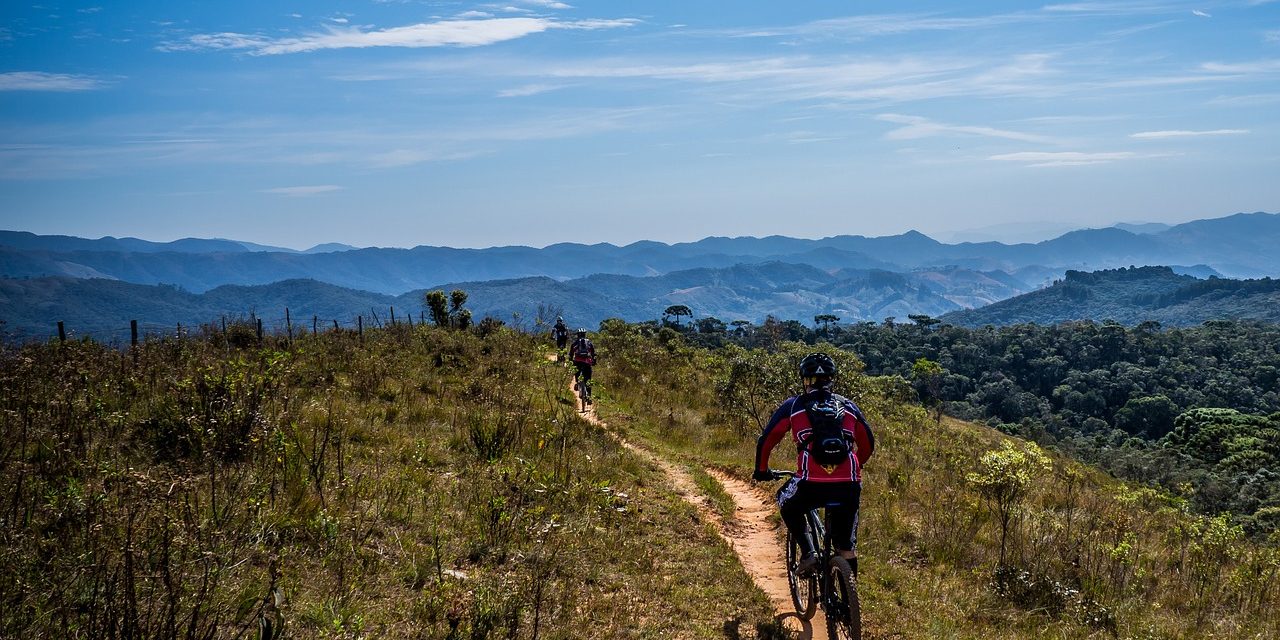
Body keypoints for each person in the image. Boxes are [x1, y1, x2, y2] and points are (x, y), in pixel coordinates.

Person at [753, 352, 875, 576]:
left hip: (810, 484)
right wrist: (855, 466)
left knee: (784, 501)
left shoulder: (793, 406)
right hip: (848, 485)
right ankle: (849, 594)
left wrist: (761, 470)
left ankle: (809, 553)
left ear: (805, 380)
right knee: (846, 547)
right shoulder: (848, 406)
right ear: (831, 379)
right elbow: (867, 444)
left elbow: (767, 440)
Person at [568, 328, 596, 395]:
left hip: (577, 362)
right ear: (585, 334)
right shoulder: (589, 343)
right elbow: (593, 353)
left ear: (578, 335)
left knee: (577, 372)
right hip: (587, 362)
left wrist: (570, 361)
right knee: (588, 379)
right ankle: (589, 396)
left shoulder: (575, 343)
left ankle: (577, 383)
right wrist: (594, 361)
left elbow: (571, 354)